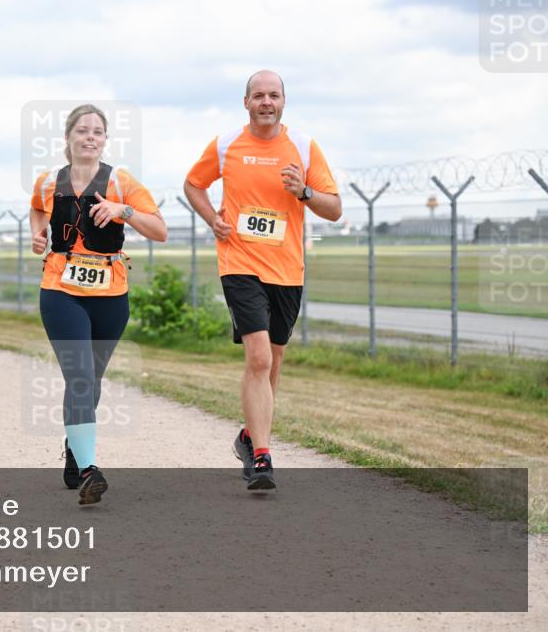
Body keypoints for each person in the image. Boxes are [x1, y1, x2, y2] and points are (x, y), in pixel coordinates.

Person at [183, 70, 342, 491]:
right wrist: (212, 218)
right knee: (257, 359)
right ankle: (263, 457)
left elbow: (335, 210)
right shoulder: (225, 145)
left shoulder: (304, 148)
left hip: (287, 269)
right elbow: (193, 184)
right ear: (246, 102)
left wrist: (303, 192)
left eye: (273, 95)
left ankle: (249, 435)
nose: (266, 102)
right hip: (239, 262)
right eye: (258, 95)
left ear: (284, 102)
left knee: (272, 362)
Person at [30, 104, 167, 505]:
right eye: (83, 131)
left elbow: (159, 230)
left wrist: (122, 210)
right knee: (81, 376)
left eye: (98, 132)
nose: (90, 137)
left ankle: (75, 449)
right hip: (61, 289)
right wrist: (40, 237)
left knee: (92, 381)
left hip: (111, 294)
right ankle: (90, 470)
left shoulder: (121, 182)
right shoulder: (46, 182)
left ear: (105, 140)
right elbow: (38, 213)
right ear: (68, 138)